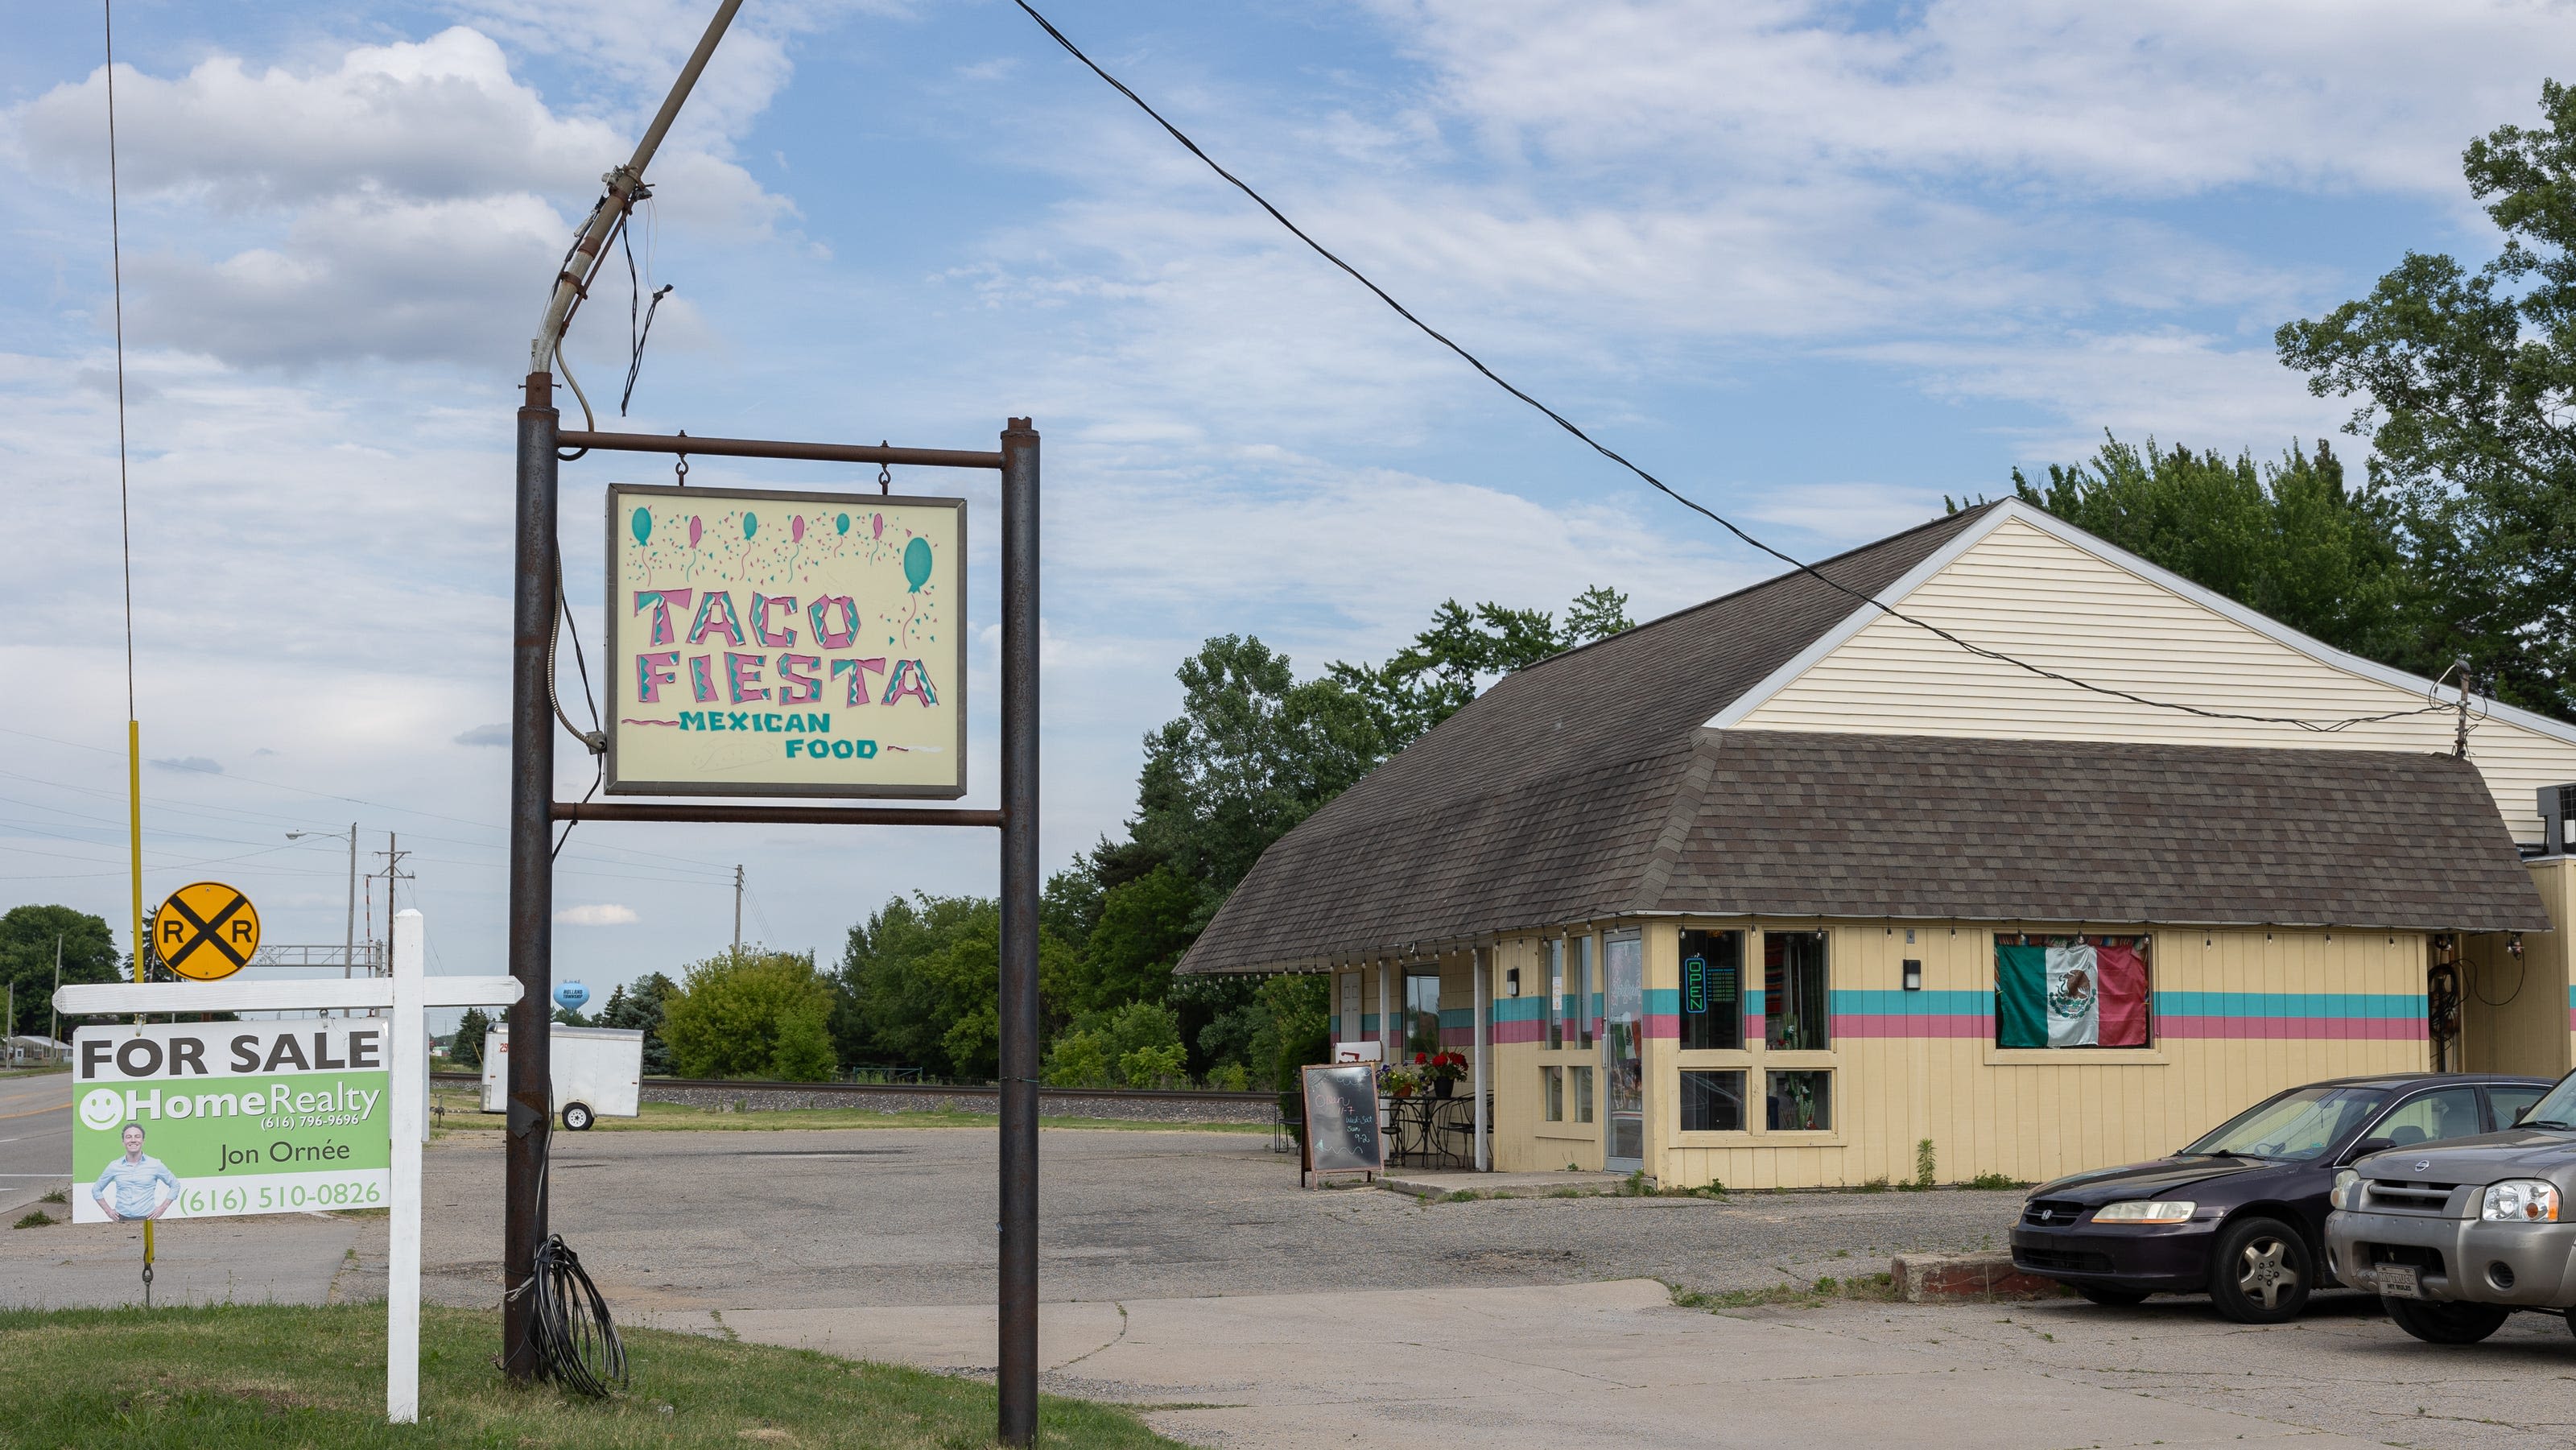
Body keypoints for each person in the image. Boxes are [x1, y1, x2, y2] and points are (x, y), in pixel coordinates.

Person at [93, 1122, 179, 1221]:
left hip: (147, 1219)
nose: (133, 1140)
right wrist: (108, 1211)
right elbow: (96, 1190)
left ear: (143, 1141)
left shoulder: (155, 1164)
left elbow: (175, 1185)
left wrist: (162, 1208)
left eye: (137, 1137)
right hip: (121, 1219)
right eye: (128, 1137)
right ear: (123, 1141)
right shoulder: (114, 1166)